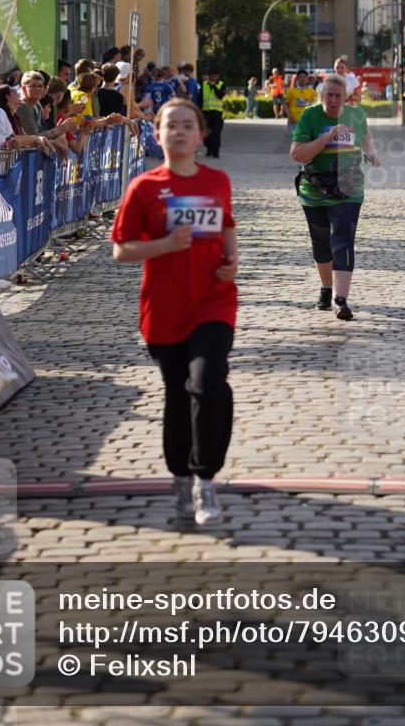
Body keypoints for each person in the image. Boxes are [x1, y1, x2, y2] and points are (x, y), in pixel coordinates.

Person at [111, 97, 238, 525]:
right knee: (178, 396)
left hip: (213, 301)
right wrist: (164, 246)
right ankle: (180, 477)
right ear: (157, 133)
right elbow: (121, 250)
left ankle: (206, 479)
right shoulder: (144, 187)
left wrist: (231, 263)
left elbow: (226, 226)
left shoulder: (218, 180)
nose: (180, 132)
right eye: (172, 125)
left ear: (201, 135)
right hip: (164, 308)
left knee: (207, 383)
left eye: (189, 125)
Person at [290, 72, 381, 321]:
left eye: (337, 95)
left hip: (348, 188)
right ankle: (326, 288)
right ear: (321, 96)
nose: (333, 100)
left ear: (345, 97)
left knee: (342, 240)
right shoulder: (310, 116)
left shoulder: (356, 115)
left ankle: (340, 300)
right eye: (328, 95)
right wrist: (327, 137)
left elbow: (366, 137)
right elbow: (297, 154)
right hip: (315, 190)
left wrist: (372, 153)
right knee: (322, 245)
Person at [200, 69, 226, 158]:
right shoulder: (203, 84)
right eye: (210, 75)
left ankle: (215, 152)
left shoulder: (221, 84)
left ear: (218, 76)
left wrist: (214, 86)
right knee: (206, 133)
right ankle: (209, 150)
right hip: (206, 112)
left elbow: (220, 96)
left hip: (216, 112)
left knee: (216, 133)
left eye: (214, 76)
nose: (212, 78)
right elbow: (200, 98)